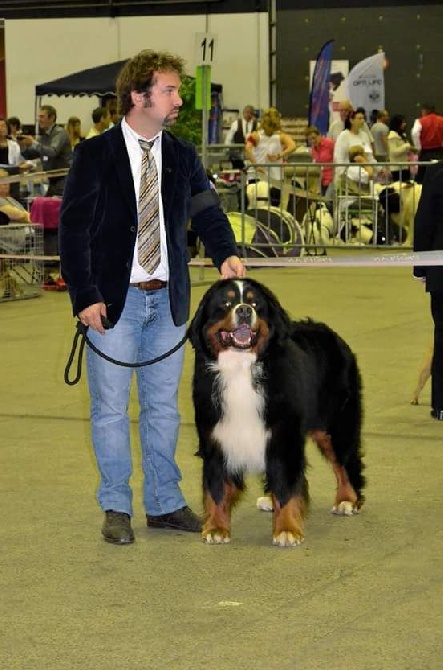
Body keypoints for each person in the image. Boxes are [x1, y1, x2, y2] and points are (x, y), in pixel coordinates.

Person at [59, 49, 246, 545]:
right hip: (112, 306)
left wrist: (226, 253)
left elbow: (207, 213)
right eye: (168, 90)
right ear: (138, 96)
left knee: (164, 408)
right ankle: (116, 505)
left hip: (167, 304)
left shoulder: (182, 156)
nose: (178, 98)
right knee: (110, 410)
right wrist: (85, 296)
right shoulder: (94, 155)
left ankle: (164, 503)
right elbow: (73, 231)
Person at [413, 160, 443, 420]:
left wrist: (420, 267)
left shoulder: (435, 173)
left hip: (440, 270)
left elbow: (423, 221)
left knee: (442, 335)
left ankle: (442, 405)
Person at [18, 105, 72, 196]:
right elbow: (31, 155)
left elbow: (53, 151)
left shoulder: (60, 132)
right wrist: (22, 146)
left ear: (52, 118)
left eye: (42, 117)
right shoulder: (43, 136)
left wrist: (33, 143)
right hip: (53, 180)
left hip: (65, 180)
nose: (39, 120)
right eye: (39, 117)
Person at [244, 112, 296, 206]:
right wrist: (256, 165)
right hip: (257, 177)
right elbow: (247, 148)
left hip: (275, 178)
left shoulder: (281, 136)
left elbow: (292, 145)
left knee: (273, 205)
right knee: (255, 204)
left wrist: (279, 155)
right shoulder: (256, 135)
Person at [411, 103, 443, 184]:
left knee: (422, 177)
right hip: (439, 152)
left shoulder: (420, 121)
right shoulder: (441, 120)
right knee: (439, 176)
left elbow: (415, 133)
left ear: (425, 111)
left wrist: (418, 148)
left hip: (425, 153)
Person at [305, 125, 335, 204]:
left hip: (333, 178)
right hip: (321, 180)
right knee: (321, 203)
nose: (312, 141)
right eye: (310, 139)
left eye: (314, 138)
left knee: (327, 201)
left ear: (319, 135)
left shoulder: (330, 144)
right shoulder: (313, 149)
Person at [224, 104, 257, 169]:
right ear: (243, 113)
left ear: (253, 114)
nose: (249, 114)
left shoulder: (256, 125)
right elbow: (229, 138)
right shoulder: (236, 124)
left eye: (251, 113)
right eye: (247, 112)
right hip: (238, 156)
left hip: (252, 155)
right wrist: (226, 151)